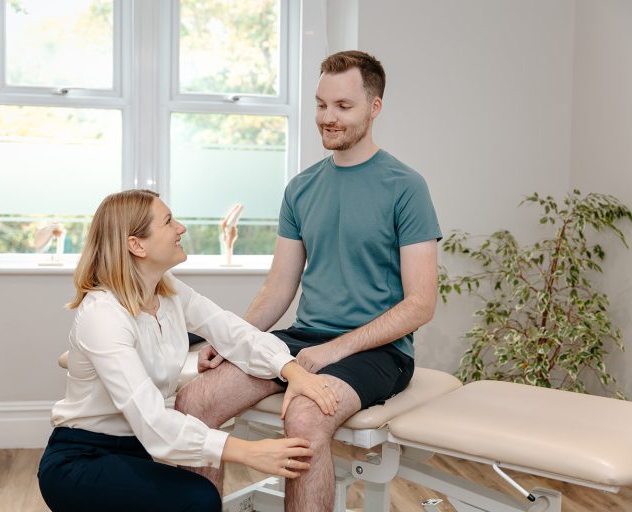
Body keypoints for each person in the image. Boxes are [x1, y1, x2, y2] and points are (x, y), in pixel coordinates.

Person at [176, 50, 442, 511]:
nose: (327, 118)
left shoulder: (405, 186)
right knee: (194, 400)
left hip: (379, 353)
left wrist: (334, 350)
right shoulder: (300, 188)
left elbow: (420, 304)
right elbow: (279, 288)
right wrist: (236, 336)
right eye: (321, 105)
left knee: (305, 414)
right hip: (303, 340)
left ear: (374, 107)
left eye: (343, 106)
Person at [37, 189, 341, 512]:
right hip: (80, 459)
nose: (181, 228)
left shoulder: (167, 290)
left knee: (196, 496)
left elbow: (231, 331)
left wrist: (291, 370)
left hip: (133, 452)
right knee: (200, 499)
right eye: (168, 221)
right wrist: (249, 452)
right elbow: (152, 421)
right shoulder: (103, 315)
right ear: (136, 245)